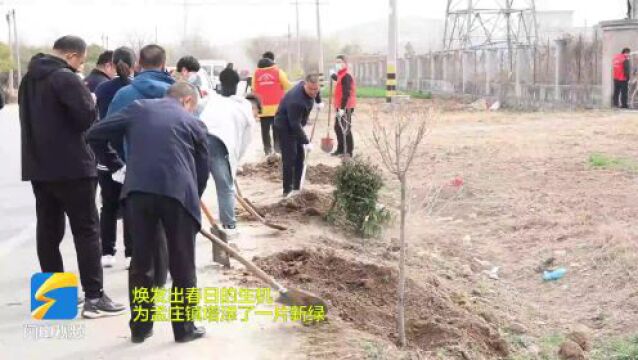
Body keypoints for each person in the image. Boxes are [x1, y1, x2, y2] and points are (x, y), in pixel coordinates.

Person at [87, 81, 209, 344]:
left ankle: (140, 328)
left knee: (141, 264)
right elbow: (203, 168)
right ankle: (184, 328)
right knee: (183, 263)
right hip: (178, 194)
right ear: (187, 101)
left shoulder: (138, 108)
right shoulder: (193, 123)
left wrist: (115, 162)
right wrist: (192, 198)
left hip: (138, 193)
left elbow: (95, 133)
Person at [18, 35, 125, 318]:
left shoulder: (29, 79)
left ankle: (55, 300)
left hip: (39, 168)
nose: (81, 66)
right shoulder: (65, 78)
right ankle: (94, 297)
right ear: (72, 56)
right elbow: (86, 118)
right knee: (87, 231)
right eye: (81, 60)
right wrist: (90, 101)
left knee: (48, 231)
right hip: (73, 168)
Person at [107, 44, 174, 286]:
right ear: (164, 64)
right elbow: (195, 132)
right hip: (173, 171)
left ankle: (147, 282)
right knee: (170, 228)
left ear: (138, 65)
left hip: (137, 170)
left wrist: (122, 157)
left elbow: (109, 131)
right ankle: (165, 275)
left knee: (143, 230)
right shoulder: (177, 93)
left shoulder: (124, 95)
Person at [93, 47, 136, 268]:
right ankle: (131, 254)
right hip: (130, 156)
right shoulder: (134, 89)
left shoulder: (102, 88)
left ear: (113, 63)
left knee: (108, 206)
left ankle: (107, 253)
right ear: (134, 63)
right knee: (130, 206)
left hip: (106, 155)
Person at [199, 75, 256, 235]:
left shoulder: (209, 100)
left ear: (220, 84)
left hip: (199, 140)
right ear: (238, 86)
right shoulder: (243, 105)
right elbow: (247, 136)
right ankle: (229, 226)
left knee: (194, 186)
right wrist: (235, 160)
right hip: (219, 145)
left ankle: (187, 225)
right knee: (225, 188)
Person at [274, 74, 321, 197]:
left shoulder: (312, 89)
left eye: (316, 89)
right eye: (310, 89)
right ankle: (287, 190)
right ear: (305, 85)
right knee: (290, 158)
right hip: (285, 126)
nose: (313, 92)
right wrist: (306, 142)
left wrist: (319, 101)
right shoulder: (297, 101)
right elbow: (294, 124)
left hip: (296, 124)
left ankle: (297, 186)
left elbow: (316, 92)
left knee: (300, 156)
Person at [108, 44, 175, 115]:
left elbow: (108, 125)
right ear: (163, 64)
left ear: (139, 63)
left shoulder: (122, 95)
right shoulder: (177, 95)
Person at [252, 51, 292, 156]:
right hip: (277, 108)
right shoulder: (278, 71)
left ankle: (267, 151)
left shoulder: (256, 73)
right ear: (273, 61)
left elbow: (254, 89)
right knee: (277, 130)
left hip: (263, 108)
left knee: (265, 131)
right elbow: (287, 85)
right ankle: (277, 151)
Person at [331, 55, 357, 157]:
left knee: (345, 128)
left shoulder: (346, 75)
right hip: (340, 105)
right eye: (336, 62)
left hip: (346, 106)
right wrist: (333, 76)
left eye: (340, 62)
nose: (338, 64)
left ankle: (349, 152)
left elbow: (346, 93)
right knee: (338, 127)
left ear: (344, 63)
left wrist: (342, 108)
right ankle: (341, 149)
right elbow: (339, 81)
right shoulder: (341, 75)